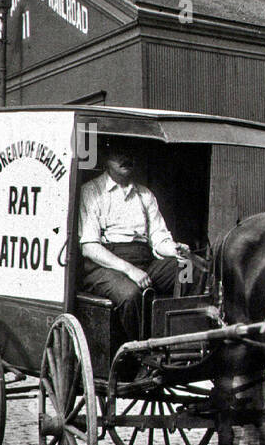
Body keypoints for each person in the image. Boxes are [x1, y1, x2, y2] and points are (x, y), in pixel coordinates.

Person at [78, 137, 187, 340]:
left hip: (145, 260)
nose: (126, 158)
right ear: (105, 158)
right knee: (131, 295)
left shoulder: (144, 195)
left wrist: (174, 250)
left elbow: (159, 237)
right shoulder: (91, 192)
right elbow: (90, 247)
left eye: (130, 154)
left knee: (189, 270)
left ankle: (182, 341)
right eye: (118, 153)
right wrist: (130, 270)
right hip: (104, 266)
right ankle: (141, 353)